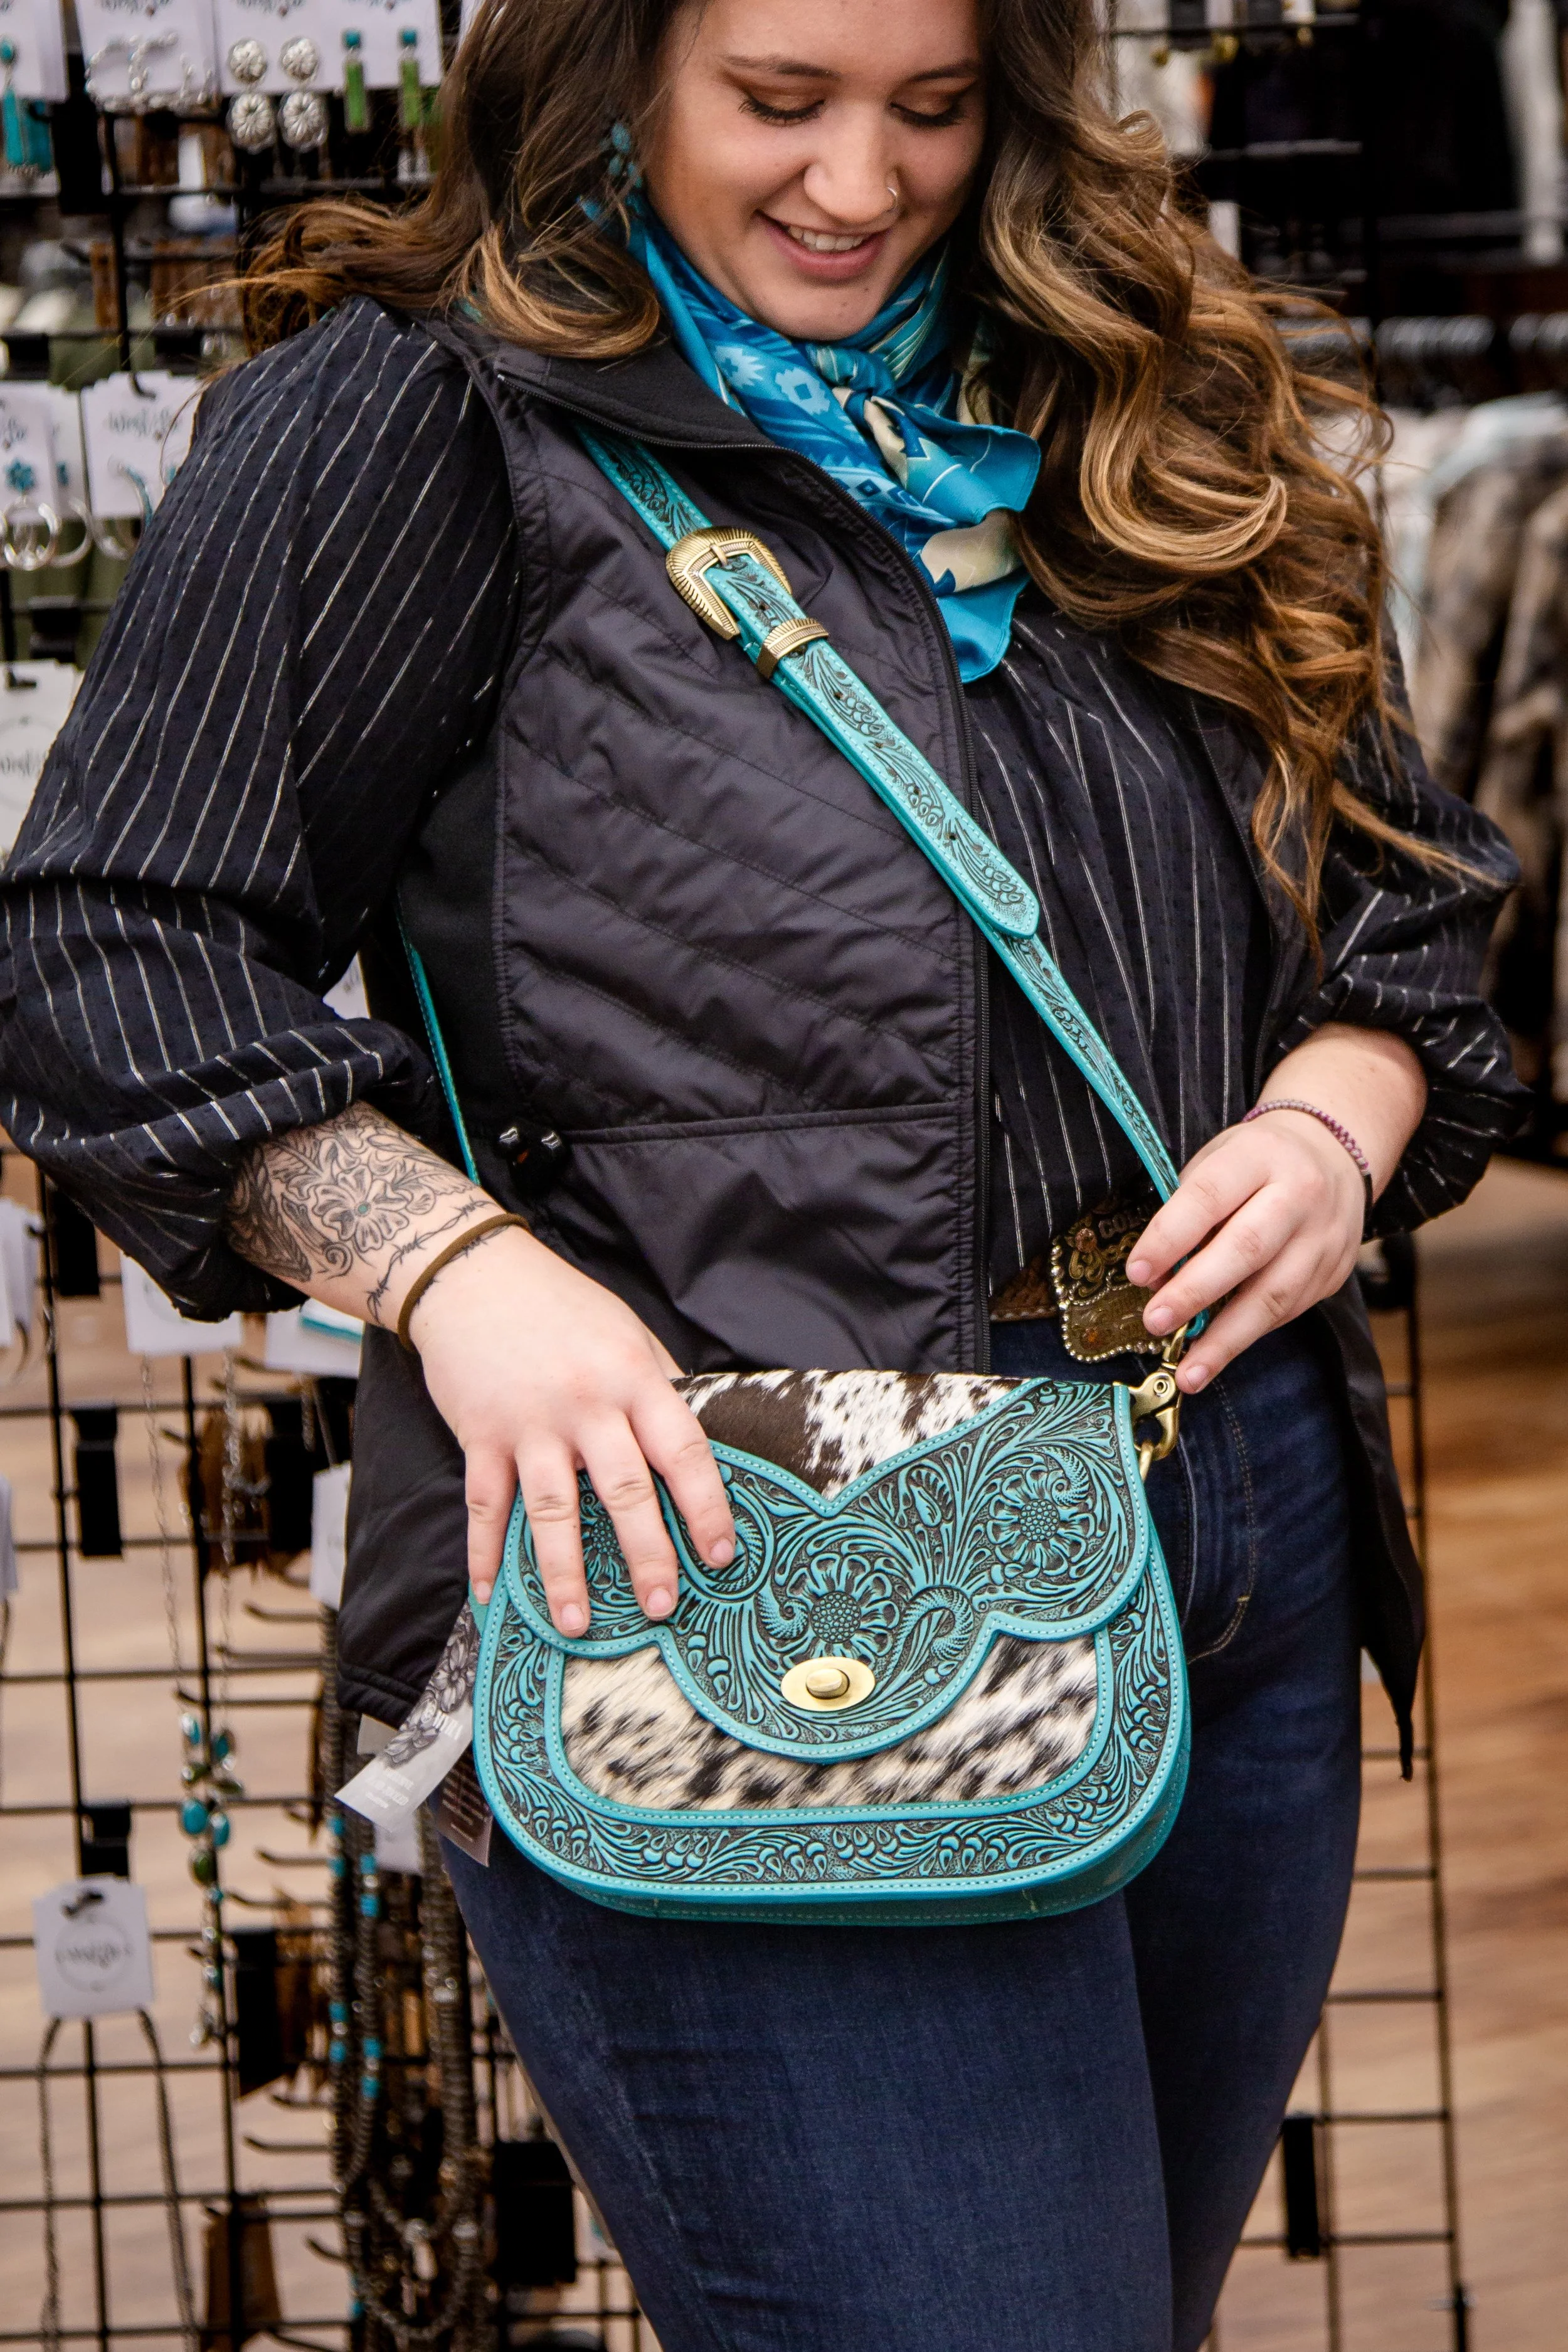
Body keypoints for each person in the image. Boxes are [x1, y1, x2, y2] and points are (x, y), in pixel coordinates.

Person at [0, 1, 1523, 2344]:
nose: (859, 182)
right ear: (613, 73)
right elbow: (108, 941)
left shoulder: (1123, 379)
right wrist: (453, 1265)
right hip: (739, 1555)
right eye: (779, 104)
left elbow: (1402, 878)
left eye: (929, 108)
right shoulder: (427, 416)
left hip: (1228, 1507)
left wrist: (1340, 1108)